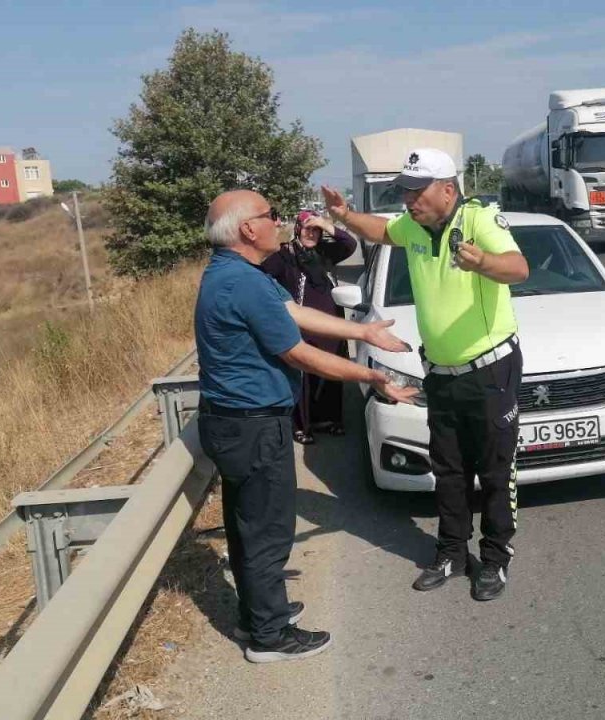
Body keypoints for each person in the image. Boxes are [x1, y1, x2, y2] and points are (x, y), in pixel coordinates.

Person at [195, 189, 417, 663]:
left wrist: (362, 332)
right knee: (267, 530)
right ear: (246, 229)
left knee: (250, 525)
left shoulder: (237, 274)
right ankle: (269, 638)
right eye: (269, 215)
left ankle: (260, 611)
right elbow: (298, 353)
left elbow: (294, 312)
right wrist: (373, 375)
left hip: (239, 423)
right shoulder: (243, 283)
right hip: (252, 426)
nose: (278, 221)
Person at [320, 148, 530, 601]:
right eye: (405, 191)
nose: (408, 199)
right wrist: (345, 216)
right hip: (439, 370)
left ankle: (495, 557)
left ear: (448, 189)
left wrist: (482, 264)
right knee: (448, 468)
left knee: (494, 470)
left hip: (490, 368)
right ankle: (452, 552)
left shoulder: (478, 219)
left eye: (417, 191)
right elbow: (381, 230)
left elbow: (518, 267)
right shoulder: (412, 225)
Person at [260, 210, 358, 444]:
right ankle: (301, 426)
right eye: (307, 228)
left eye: (316, 230)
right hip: (301, 325)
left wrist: (325, 223)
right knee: (303, 376)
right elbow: (261, 276)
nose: (312, 233)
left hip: (330, 324)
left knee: (332, 371)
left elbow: (350, 243)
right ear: (297, 229)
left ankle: (330, 420)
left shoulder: (325, 253)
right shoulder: (285, 255)